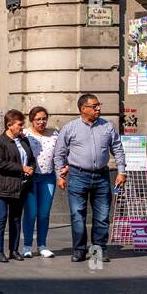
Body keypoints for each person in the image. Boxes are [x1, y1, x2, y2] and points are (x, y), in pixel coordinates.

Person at [54, 93, 126, 263]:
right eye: (94, 106)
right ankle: (79, 249)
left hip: (101, 176)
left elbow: (118, 149)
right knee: (77, 215)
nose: (98, 109)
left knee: (102, 216)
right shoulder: (70, 128)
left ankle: (98, 249)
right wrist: (60, 175)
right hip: (78, 176)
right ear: (83, 108)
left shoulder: (107, 126)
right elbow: (59, 153)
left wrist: (121, 171)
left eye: (98, 105)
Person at [0, 110, 36, 262]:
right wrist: (22, 168)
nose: (23, 127)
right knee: (1, 218)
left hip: (18, 187)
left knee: (16, 219)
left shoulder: (23, 140)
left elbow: (31, 158)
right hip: (0, 188)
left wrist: (31, 168)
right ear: (9, 125)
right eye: (20, 124)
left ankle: (14, 250)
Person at [21, 106, 58, 258]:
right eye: (38, 119)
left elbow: (61, 152)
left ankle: (42, 245)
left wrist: (64, 167)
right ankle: (27, 246)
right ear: (31, 120)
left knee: (44, 213)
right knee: (31, 212)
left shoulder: (55, 133)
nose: (42, 122)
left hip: (48, 177)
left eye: (44, 118)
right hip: (31, 177)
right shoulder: (25, 134)